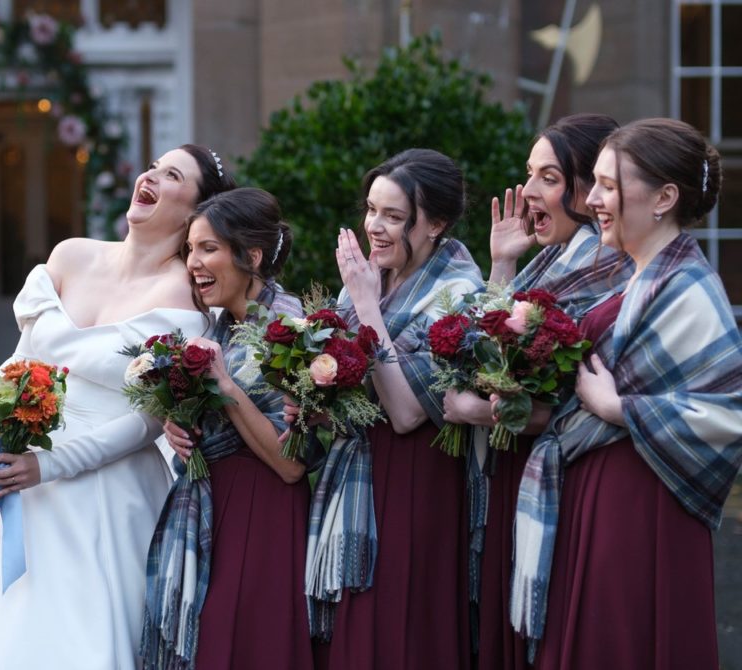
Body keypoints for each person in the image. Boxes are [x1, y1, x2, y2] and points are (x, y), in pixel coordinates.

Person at [0, 145, 236, 670]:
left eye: (172, 174)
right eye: (153, 167)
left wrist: (46, 465)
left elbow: (144, 424)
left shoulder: (188, 298)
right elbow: (25, 364)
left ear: (195, 213)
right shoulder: (71, 255)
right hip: (26, 486)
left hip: (108, 496)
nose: (150, 176)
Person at [510, 118, 742, 668]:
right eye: (594, 184)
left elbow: (727, 414)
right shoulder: (639, 274)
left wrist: (620, 407)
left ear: (665, 197)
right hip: (597, 488)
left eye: (610, 186)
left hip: (644, 503)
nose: (592, 201)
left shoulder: (686, 285)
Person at [438, 113, 631, 669]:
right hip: (516, 474)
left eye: (549, 177)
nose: (528, 191)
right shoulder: (546, 262)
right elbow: (482, 353)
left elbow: (557, 405)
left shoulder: (605, 267)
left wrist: (479, 411)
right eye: (529, 174)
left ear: (589, 186)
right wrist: (501, 262)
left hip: (567, 478)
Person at [307, 149, 483, 669]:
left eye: (393, 216)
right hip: (358, 470)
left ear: (436, 224)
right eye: (370, 210)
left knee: (405, 630)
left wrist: (364, 308)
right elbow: (347, 390)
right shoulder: (370, 279)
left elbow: (407, 413)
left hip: (416, 479)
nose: (374, 227)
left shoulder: (460, 293)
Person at [141, 187, 312, 670]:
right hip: (212, 506)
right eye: (191, 249)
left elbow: (293, 464)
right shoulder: (219, 329)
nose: (193, 262)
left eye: (209, 248)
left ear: (251, 256)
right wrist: (179, 428)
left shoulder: (291, 328)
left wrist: (225, 388)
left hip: (265, 513)